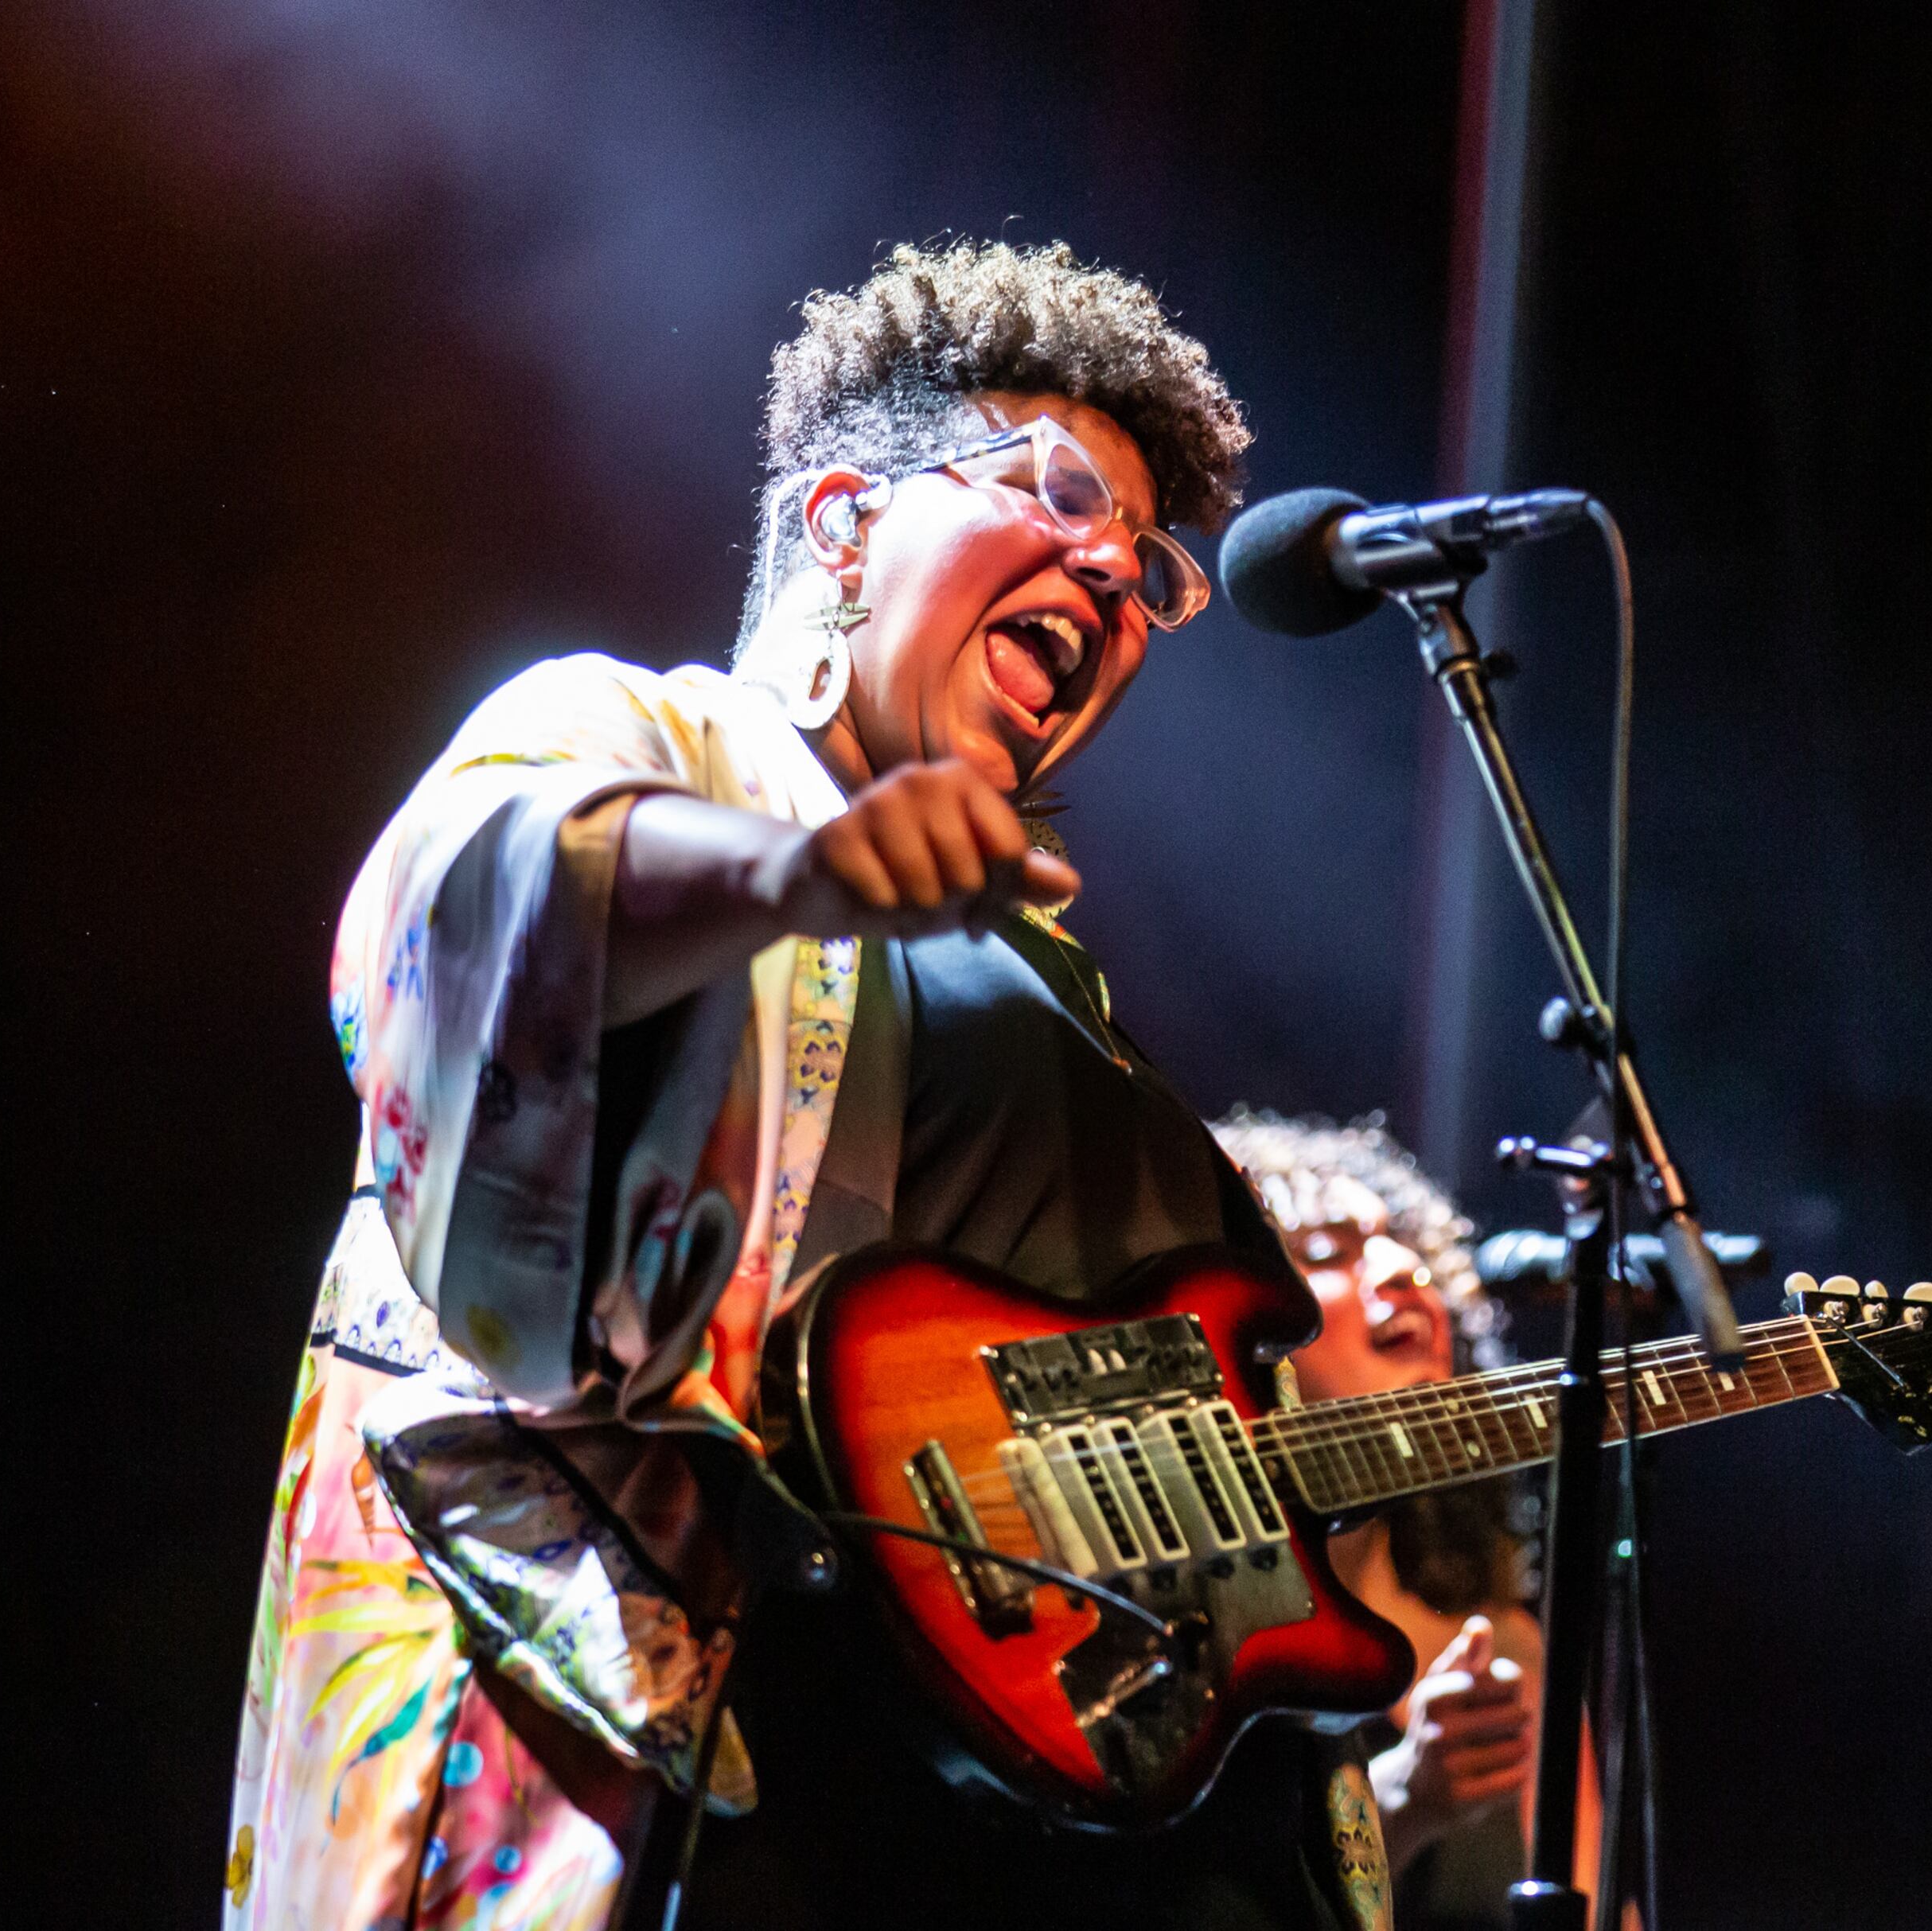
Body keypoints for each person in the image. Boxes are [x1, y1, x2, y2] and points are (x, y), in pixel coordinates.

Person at [227, 239, 1396, 1931]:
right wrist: (793, 875)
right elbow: (482, 904)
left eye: (1148, 565)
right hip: (706, 1803)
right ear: (848, 518)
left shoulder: (1057, 985)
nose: (1114, 574)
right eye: (1059, 486)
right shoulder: (652, 744)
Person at [1212, 1111, 1617, 1931]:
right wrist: (1404, 1800)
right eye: (1329, 1252)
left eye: (1413, 1252)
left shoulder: (1503, 1648)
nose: (1405, 1272)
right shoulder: (1209, 1640)